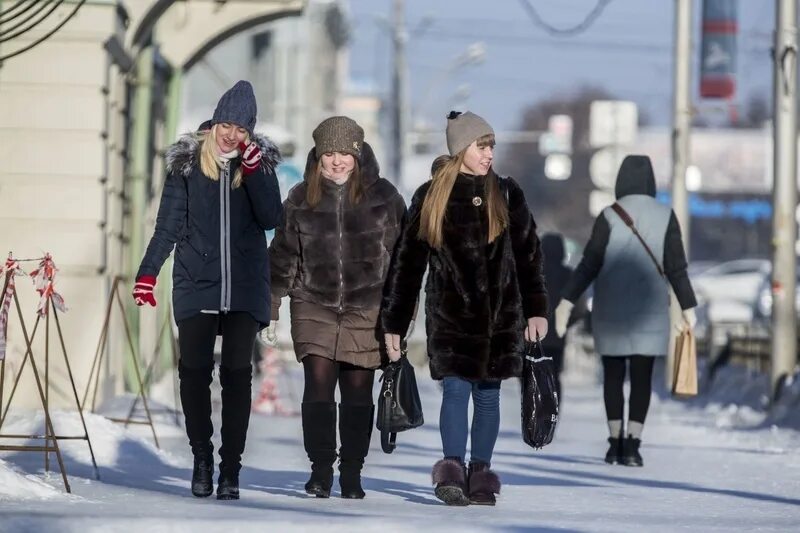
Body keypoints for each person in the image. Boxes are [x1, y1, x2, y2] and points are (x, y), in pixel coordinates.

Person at [380, 111, 548, 506]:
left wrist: (537, 309)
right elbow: (407, 264)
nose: (489, 153)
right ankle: (451, 471)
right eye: (481, 146)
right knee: (455, 391)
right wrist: (396, 321)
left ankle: (481, 473)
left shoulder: (506, 193)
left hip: (500, 318)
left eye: (491, 146)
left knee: (488, 396)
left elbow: (529, 256)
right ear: (460, 149)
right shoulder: (431, 197)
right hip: (451, 316)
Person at [133, 80, 283, 500]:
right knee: (194, 373)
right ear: (215, 122)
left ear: (250, 131)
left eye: (242, 128)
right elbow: (168, 226)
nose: (232, 134)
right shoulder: (186, 166)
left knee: (237, 375)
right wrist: (148, 274)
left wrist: (254, 173)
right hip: (196, 283)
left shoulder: (258, 166)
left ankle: (230, 469)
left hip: (245, 287)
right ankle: (202, 457)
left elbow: (272, 217)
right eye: (227, 124)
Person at [268, 116, 405, 499]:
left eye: (345, 152)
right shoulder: (299, 198)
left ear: (357, 154)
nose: (337, 161)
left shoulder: (386, 198)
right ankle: (321, 470)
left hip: (368, 308)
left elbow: (403, 262)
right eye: (330, 152)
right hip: (314, 304)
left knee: (358, 394)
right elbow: (283, 256)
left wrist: (398, 317)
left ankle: (353, 471)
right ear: (319, 155)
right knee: (318, 388)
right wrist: (272, 304)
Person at [554, 155, 697, 467]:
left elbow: (589, 263)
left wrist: (566, 300)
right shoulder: (665, 215)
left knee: (614, 376)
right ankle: (633, 443)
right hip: (650, 312)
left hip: (611, 309)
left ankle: (614, 440)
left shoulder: (609, 215)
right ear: (649, 181)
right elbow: (676, 267)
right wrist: (688, 305)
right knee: (642, 377)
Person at [540, 233, 573, 400]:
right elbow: (577, 305)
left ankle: (533, 415)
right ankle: (551, 413)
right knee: (553, 375)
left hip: (532, 335)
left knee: (532, 375)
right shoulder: (568, 275)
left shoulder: (531, 272)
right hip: (557, 337)